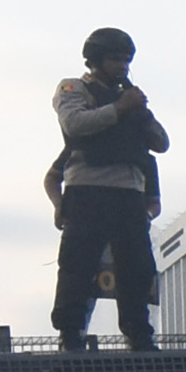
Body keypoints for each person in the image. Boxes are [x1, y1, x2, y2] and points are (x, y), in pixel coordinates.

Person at [48, 27, 169, 353]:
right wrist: (119, 109)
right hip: (87, 191)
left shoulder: (129, 97)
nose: (122, 67)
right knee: (78, 267)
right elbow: (74, 124)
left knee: (137, 267)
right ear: (97, 59)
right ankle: (70, 335)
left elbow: (161, 143)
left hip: (128, 195)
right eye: (116, 59)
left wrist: (139, 111)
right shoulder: (74, 89)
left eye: (126, 60)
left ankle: (139, 336)